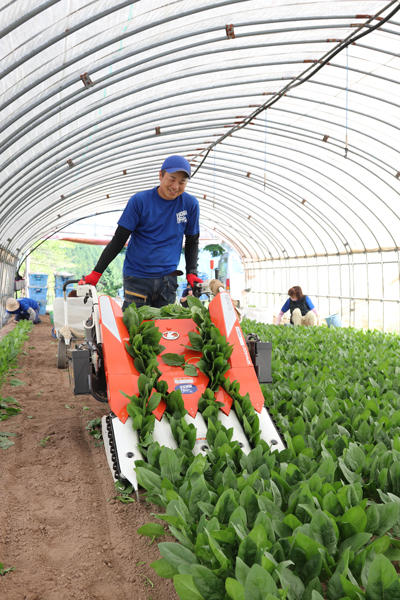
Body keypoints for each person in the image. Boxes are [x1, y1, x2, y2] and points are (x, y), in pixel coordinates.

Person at [79, 155, 202, 310]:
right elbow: (119, 240)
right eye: (172, 179)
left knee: (166, 329)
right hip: (137, 277)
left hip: (168, 280)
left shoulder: (190, 204)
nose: (176, 186)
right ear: (160, 175)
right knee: (134, 327)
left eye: (182, 182)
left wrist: (191, 272)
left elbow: (192, 240)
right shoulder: (140, 201)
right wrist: (96, 273)